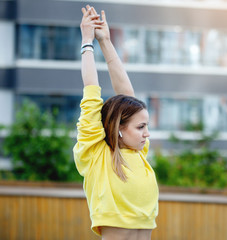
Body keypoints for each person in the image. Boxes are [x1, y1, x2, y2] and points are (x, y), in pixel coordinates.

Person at [73, 5, 158, 240]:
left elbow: (127, 96)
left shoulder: (139, 154)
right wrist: (87, 42)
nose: (147, 134)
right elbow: (91, 91)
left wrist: (106, 42)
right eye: (140, 127)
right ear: (120, 128)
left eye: (147, 126)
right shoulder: (98, 154)